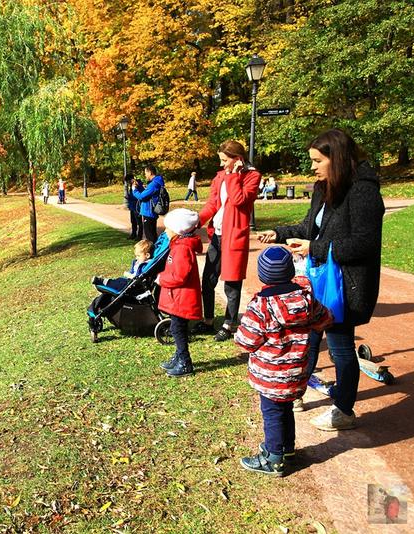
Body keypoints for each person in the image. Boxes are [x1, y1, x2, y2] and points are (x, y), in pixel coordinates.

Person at [258, 128, 384, 430]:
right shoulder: (323, 186)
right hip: (316, 279)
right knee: (309, 339)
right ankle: (296, 392)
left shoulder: (363, 191)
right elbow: (309, 225)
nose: (312, 167)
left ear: (337, 159)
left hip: (343, 286)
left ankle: (344, 411)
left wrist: (314, 247)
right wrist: (281, 233)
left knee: (340, 347)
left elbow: (365, 243)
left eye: (317, 160)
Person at [234, 246, 333, 476]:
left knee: (273, 413)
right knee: (285, 408)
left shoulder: (261, 306)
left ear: (263, 275)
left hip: (271, 375)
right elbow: (325, 319)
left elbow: (246, 341)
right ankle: (287, 449)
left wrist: (240, 336)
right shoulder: (306, 299)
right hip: (297, 371)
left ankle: (273, 458)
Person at [192, 140, 261, 341]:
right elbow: (213, 204)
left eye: (225, 160)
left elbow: (239, 200)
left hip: (235, 238)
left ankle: (229, 324)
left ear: (237, 159)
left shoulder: (252, 176)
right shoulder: (221, 176)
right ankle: (208, 320)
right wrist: (197, 222)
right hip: (218, 235)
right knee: (208, 280)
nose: (222, 165)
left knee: (232, 284)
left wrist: (233, 176)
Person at [156, 209, 202, 377]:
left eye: (168, 228)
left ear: (178, 230)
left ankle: (185, 361)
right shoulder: (178, 245)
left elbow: (180, 276)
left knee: (178, 329)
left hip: (182, 298)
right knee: (177, 328)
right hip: (179, 297)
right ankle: (179, 356)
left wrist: (161, 279)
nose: (165, 231)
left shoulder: (182, 249)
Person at [131, 164, 165, 242]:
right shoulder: (155, 182)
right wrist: (139, 186)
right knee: (152, 234)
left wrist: (134, 189)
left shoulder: (154, 184)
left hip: (149, 212)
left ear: (150, 172)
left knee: (150, 236)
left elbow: (142, 196)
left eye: (145, 172)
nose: (145, 174)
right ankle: (154, 251)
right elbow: (146, 193)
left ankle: (152, 252)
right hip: (150, 212)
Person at [124, 174, 143, 240]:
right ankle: (133, 234)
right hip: (132, 206)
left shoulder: (137, 184)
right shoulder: (131, 185)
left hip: (136, 206)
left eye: (128, 181)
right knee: (133, 221)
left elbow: (138, 195)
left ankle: (139, 236)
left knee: (139, 222)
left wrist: (129, 197)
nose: (128, 182)